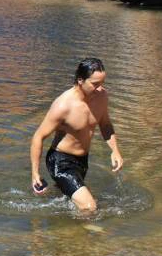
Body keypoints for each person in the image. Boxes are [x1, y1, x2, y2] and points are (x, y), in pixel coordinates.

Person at [29, 57, 124, 212]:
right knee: (89, 207)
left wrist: (115, 151)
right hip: (61, 161)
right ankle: (87, 234)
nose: (100, 88)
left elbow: (105, 125)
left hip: (82, 161)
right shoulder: (63, 105)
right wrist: (35, 173)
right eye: (95, 84)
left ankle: (57, 221)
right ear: (80, 80)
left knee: (71, 198)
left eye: (102, 83)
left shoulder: (101, 97)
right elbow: (38, 137)